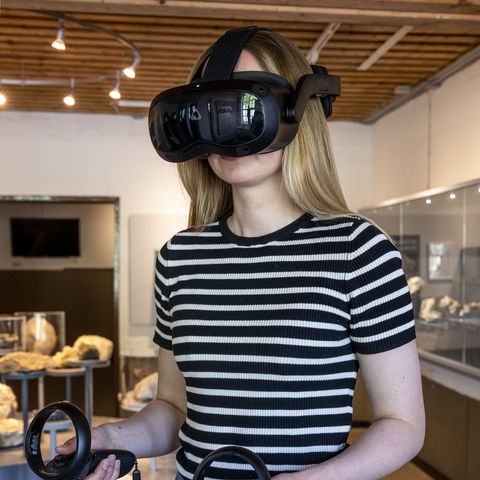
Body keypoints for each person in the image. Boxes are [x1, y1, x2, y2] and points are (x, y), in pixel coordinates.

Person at [58, 27, 425, 480]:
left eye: (243, 108)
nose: (225, 131)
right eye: (210, 112)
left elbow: (403, 424)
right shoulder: (179, 258)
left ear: (296, 111)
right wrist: (111, 438)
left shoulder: (358, 251)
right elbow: (173, 407)